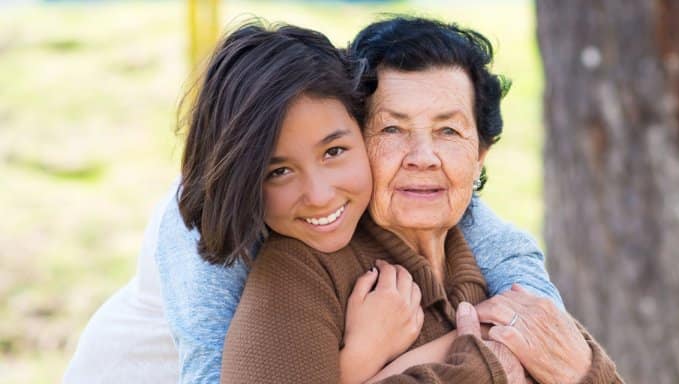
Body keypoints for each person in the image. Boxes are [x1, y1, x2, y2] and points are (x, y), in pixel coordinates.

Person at [63, 20, 564, 384]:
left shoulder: (421, 190)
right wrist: (365, 358)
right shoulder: (201, 228)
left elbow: (516, 273)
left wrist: (548, 343)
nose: (321, 192)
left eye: (335, 150)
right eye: (277, 171)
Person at [219, 16, 621, 383]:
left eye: (448, 131)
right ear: (356, 139)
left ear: (480, 154)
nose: (423, 158)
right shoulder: (303, 269)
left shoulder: (502, 273)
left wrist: (588, 373)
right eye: (393, 129)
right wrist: (483, 366)